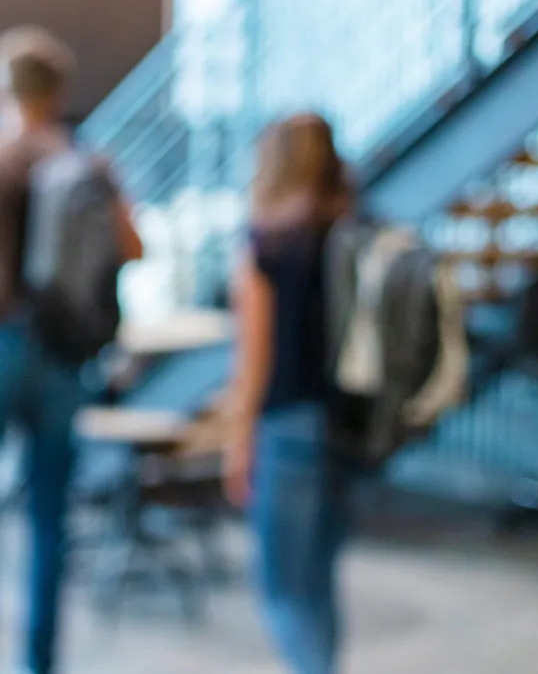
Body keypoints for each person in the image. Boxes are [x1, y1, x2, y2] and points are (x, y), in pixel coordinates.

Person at [0, 26, 144, 674]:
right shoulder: (90, 163)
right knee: (49, 505)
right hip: (64, 349)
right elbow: (134, 247)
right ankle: (41, 659)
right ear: (59, 91)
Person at [224, 113, 353, 674]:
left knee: (282, 590)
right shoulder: (354, 230)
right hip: (346, 423)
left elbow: (254, 362)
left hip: (286, 425)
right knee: (319, 583)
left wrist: (237, 442)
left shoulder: (266, 244)